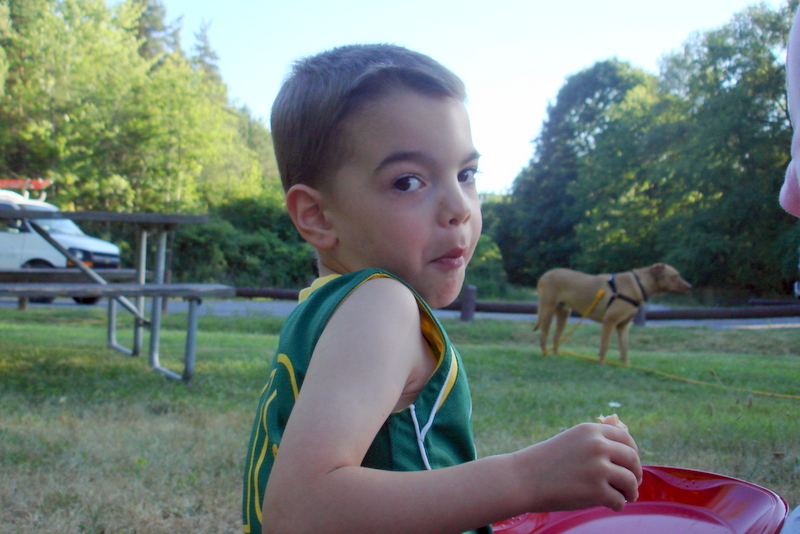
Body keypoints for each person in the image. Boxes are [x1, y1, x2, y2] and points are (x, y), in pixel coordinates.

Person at [241, 43, 642, 534]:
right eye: (408, 182)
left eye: (466, 174)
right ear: (318, 216)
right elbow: (299, 511)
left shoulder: (327, 309)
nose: (459, 207)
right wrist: (528, 477)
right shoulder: (380, 304)